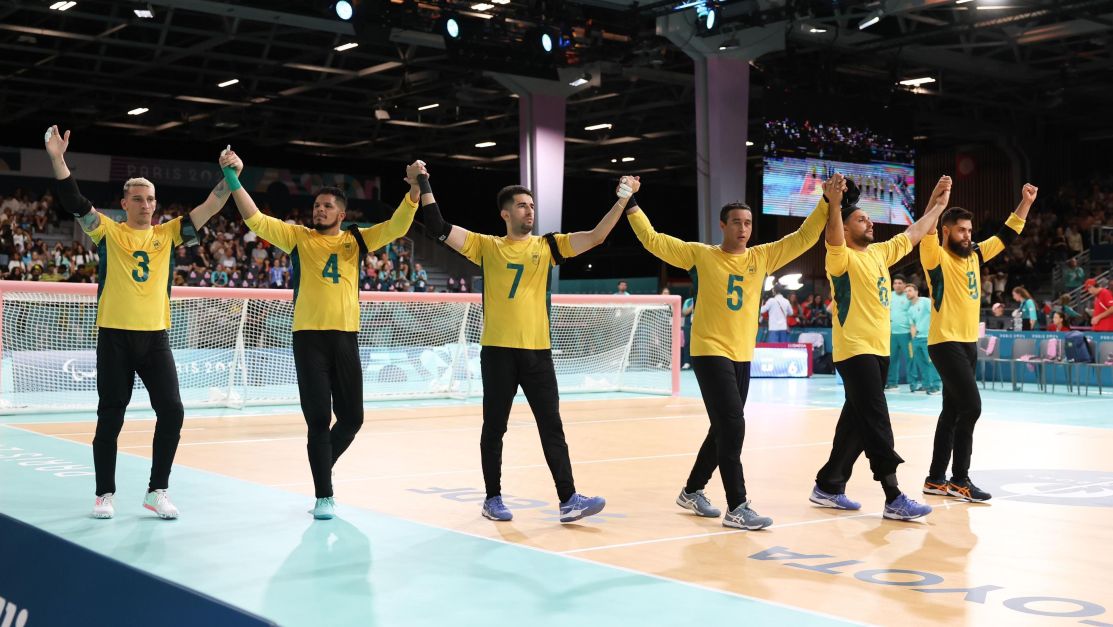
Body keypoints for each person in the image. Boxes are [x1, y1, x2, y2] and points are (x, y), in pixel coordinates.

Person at [45, 125, 237, 520]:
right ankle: (104, 494)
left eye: (151, 199)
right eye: (139, 199)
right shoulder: (108, 233)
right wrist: (57, 159)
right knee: (110, 415)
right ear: (125, 202)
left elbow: (211, 205)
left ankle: (157, 490)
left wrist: (231, 175)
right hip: (115, 337)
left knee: (173, 410)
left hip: (155, 339)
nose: (147, 205)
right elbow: (74, 200)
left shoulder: (169, 234)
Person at [415, 173, 631, 523]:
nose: (529, 211)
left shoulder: (547, 246)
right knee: (494, 428)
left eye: (531, 205)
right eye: (521, 205)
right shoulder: (487, 246)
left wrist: (623, 198)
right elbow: (437, 225)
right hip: (498, 352)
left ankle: (569, 499)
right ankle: (492, 498)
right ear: (505, 214)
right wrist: (425, 182)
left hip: (537, 353)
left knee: (552, 427)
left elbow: (597, 236)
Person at [219, 150, 424, 520]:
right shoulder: (298, 237)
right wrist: (234, 178)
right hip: (308, 339)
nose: (320, 210)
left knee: (353, 419)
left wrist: (414, 188)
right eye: (317, 205)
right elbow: (255, 219)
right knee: (317, 419)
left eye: (327, 206)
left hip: (345, 338)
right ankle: (323, 494)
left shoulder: (356, 240)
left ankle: (321, 465)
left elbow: (396, 226)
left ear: (342, 214)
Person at [628, 174, 836, 530]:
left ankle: (692, 490)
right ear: (722, 225)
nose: (743, 229)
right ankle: (737, 505)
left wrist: (827, 202)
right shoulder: (700, 255)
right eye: (736, 222)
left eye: (748, 223)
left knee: (722, 427)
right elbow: (653, 240)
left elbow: (803, 237)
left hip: (742, 354)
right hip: (710, 350)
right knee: (733, 425)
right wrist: (630, 203)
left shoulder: (762, 257)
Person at [810, 175, 951, 521]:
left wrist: (938, 207)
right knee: (876, 418)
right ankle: (893, 495)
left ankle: (829, 484)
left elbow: (914, 233)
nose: (870, 221)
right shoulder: (839, 257)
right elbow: (832, 233)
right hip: (854, 349)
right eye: (861, 218)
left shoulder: (879, 253)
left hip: (878, 348)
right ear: (843, 227)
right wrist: (834, 204)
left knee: (857, 422)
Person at [920, 183, 1036, 503]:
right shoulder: (935, 256)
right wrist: (937, 201)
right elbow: (926, 226)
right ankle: (960, 479)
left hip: (969, 342)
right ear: (946, 232)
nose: (967, 235)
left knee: (951, 412)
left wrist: (1025, 202)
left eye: (969, 230)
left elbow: (1007, 234)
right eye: (961, 231)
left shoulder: (975, 255)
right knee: (971, 407)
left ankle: (934, 478)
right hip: (945, 342)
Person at [904, 284, 940, 394]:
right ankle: (926, 385)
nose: (907, 293)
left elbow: (936, 314)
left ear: (916, 292)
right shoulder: (910, 309)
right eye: (906, 291)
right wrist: (913, 339)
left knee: (931, 363)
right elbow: (913, 325)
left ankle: (936, 386)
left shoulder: (925, 302)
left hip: (928, 338)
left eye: (910, 290)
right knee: (922, 363)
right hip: (917, 340)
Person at [885, 274, 911, 390]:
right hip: (892, 334)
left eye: (900, 283)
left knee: (911, 359)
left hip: (907, 334)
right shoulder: (889, 295)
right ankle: (892, 383)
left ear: (905, 285)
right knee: (892, 360)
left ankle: (914, 384)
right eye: (895, 283)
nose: (897, 285)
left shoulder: (909, 296)